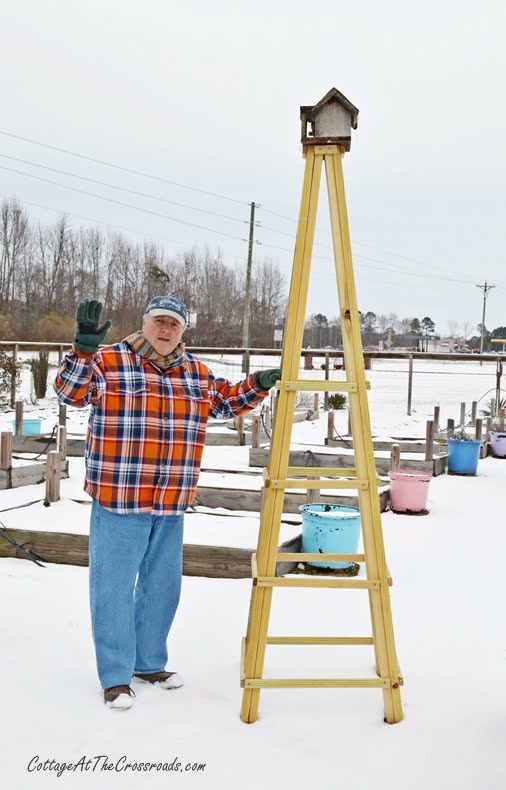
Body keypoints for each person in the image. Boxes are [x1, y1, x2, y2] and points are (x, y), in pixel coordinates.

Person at [54, 296, 280, 710]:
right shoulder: (108, 361)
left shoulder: (195, 372)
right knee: (114, 588)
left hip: (172, 497)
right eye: (159, 321)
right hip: (121, 496)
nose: (166, 329)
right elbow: (71, 393)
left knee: (162, 588)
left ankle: (148, 662)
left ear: (182, 331)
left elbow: (226, 402)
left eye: (174, 324)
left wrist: (259, 383)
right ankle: (116, 676)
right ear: (143, 323)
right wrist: (83, 349)